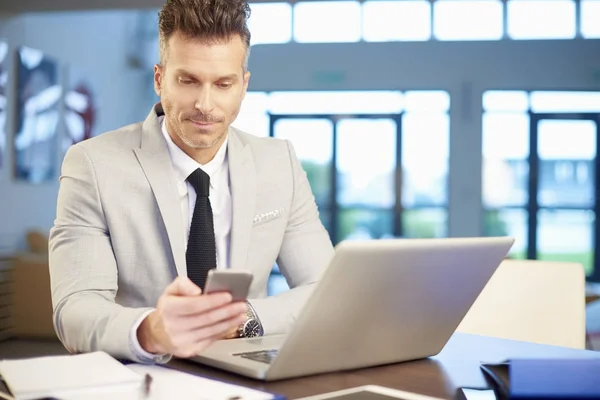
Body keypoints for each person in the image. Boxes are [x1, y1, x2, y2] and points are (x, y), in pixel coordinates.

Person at [48, 0, 334, 364]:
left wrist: (241, 319)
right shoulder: (92, 164)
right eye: (188, 80)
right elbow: (74, 309)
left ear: (243, 86)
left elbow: (324, 291)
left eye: (223, 84)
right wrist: (151, 329)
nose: (205, 104)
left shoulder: (279, 163)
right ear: (159, 78)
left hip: (246, 375)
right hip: (143, 378)